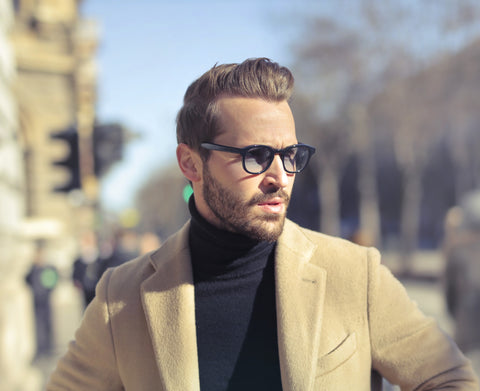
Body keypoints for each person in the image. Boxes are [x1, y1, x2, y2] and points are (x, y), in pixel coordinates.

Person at [47, 58, 478, 390]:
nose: (280, 177)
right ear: (191, 163)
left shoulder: (355, 274)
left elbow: (452, 378)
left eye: (290, 156)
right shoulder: (120, 298)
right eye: (255, 156)